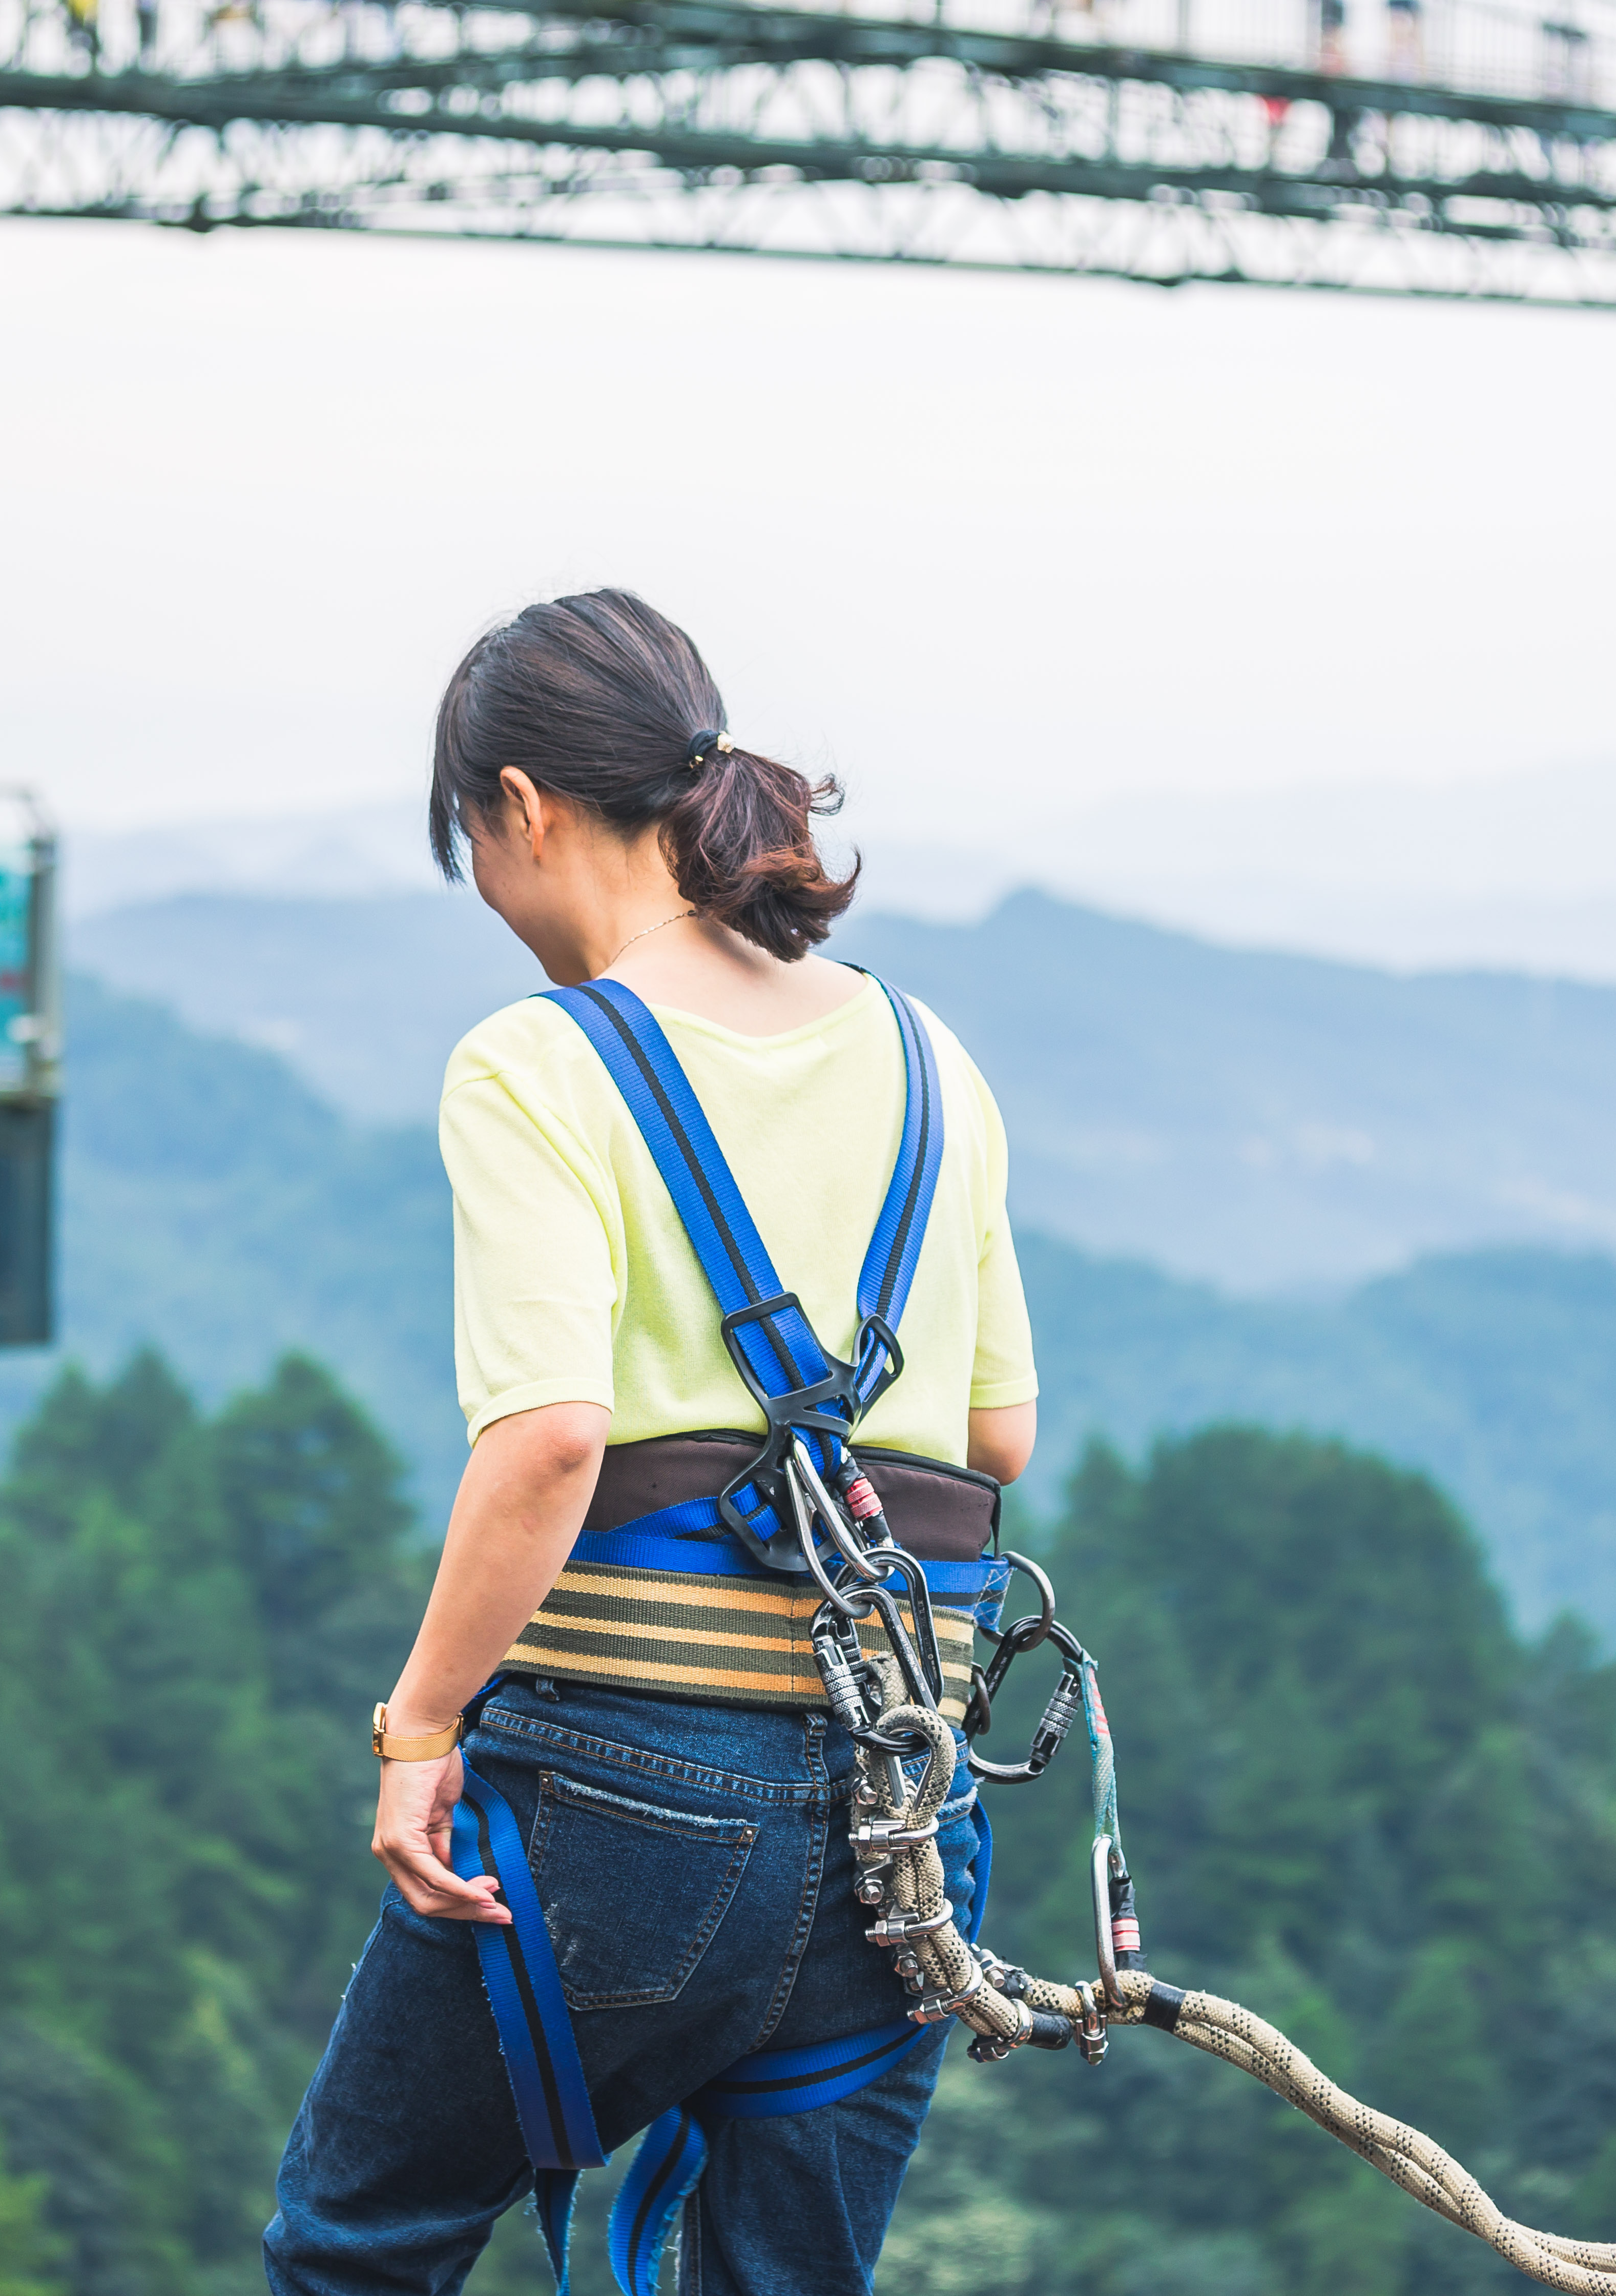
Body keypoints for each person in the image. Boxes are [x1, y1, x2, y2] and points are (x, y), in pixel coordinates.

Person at [261, 591, 1039, 2295]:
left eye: (470, 841)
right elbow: (995, 1432)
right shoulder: (932, 1060)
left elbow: (547, 1442)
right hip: (899, 1806)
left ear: (522, 808)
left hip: (627, 1795)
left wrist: (418, 1727)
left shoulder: (539, 1066)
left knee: (361, 2241)